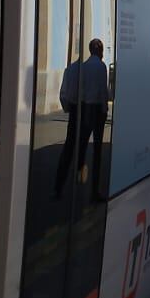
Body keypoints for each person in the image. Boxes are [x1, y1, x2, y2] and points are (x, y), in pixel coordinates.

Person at [56, 38, 110, 200]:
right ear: (99, 51)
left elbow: (71, 93)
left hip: (81, 108)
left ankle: (62, 185)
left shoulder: (82, 68)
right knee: (97, 150)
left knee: (77, 145)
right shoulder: (101, 67)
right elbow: (103, 92)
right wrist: (104, 110)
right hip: (96, 110)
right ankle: (94, 190)